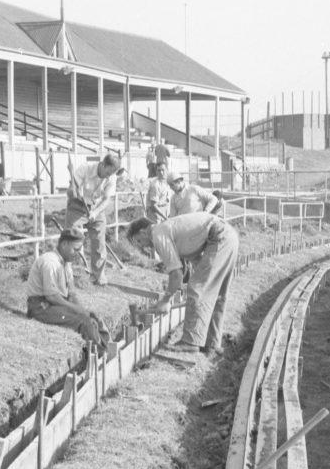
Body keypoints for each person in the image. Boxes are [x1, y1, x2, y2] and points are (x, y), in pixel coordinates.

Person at [127, 212, 239, 355]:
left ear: (143, 232)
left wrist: (166, 300)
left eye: (138, 241)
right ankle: (211, 344)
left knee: (197, 289)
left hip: (219, 237)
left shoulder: (157, 234)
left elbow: (176, 273)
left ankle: (190, 342)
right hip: (228, 237)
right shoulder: (169, 230)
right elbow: (195, 263)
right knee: (215, 294)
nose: (142, 246)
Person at [26, 227, 113, 352]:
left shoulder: (66, 264)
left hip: (55, 305)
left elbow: (71, 293)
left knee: (94, 317)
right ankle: (101, 356)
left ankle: (108, 348)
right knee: (84, 322)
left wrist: (83, 310)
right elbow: (52, 296)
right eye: (75, 249)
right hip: (41, 308)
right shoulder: (50, 262)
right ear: (64, 244)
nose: (78, 253)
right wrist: (77, 310)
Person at [64, 152, 120, 286]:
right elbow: (70, 192)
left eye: (113, 173)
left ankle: (98, 276)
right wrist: (74, 191)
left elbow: (106, 199)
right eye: (109, 171)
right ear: (103, 164)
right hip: (77, 206)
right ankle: (67, 274)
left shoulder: (111, 178)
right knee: (71, 240)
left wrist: (95, 212)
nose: (109, 175)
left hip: (96, 207)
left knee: (99, 243)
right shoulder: (85, 168)